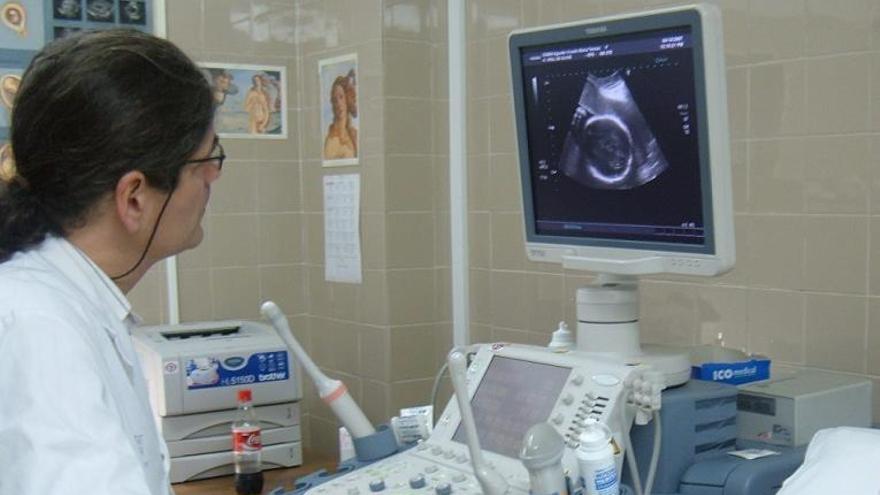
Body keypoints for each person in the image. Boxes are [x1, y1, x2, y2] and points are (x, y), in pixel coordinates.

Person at [0, 29, 221, 494]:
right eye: (206, 160)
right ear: (134, 198)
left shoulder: (67, 302)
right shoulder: (38, 327)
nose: (212, 177)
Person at [323, 74, 358, 160]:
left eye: (341, 97)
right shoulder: (331, 138)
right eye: (334, 100)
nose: (338, 103)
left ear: (347, 99)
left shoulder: (354, 134)